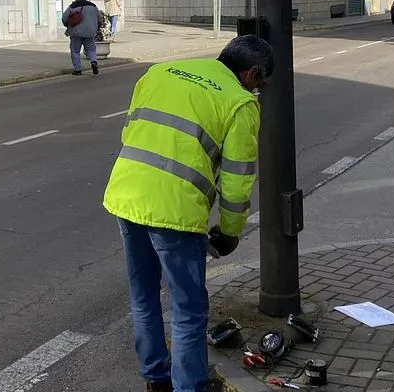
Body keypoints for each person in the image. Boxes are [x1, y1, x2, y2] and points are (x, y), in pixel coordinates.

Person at [103, 35, 274, 392]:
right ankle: (190, 386)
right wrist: (228, 233)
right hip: (175, 213)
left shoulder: (160, 71)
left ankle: (156, 378)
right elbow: (237, 180)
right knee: (188, 310)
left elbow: (131, 128)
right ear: (252, 73)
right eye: (261, 83)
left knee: (144, 296)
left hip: (126, 194)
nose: (259, 90)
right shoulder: (240, 103)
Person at [62, 0, 101, 76]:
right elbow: (100, 18)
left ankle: (78, 69)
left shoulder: (72, 6)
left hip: (76, 32)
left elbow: (64, 18)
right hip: (90, 32)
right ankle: (94, 62)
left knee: (75, 50)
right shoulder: (93, 6)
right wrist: (96, 27)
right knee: (91, 49)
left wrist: (68, 25)